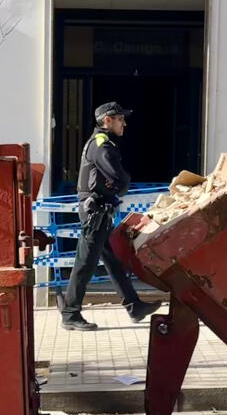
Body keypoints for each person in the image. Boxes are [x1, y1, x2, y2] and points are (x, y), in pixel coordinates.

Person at [58, 101, 162, 331]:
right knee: (86, 262)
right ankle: (70, 313)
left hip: (101, 211)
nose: (124, 123)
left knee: (114, 261)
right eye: (120, 119)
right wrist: (117, 185)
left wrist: (113, 185)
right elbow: (121, 179)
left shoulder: (103, 142)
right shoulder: (102, 144)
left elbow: (113, 180)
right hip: (96, 212)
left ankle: (134, 306)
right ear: (108, 120)